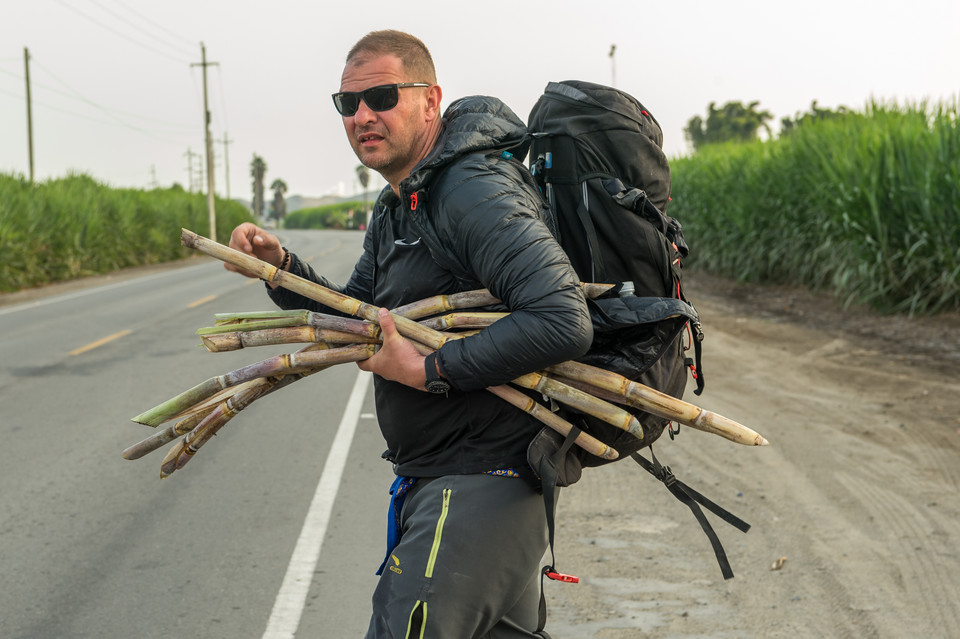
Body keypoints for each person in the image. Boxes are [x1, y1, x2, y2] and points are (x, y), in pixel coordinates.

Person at [226, 30, 592, 638]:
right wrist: (281, 269)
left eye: (383, 96)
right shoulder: (398, 203)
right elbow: (363, 314)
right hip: (449, 482)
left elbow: (561, 318)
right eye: (348, 104)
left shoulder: (470, 190)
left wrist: (429, 370)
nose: (363, 115)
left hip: (480, 483)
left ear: (431, 100)